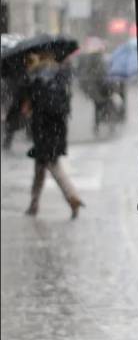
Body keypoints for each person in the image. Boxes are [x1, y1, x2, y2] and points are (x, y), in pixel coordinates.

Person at [22, 52, 84, 218]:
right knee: (40, 169)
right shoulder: (59, 75)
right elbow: (65, 105)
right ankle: (33, 204)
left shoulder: (36, 79)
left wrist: (28, 108)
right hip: (58, 129)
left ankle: (72, 197)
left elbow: (28, 108)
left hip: (42, 131)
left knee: (53, 166)